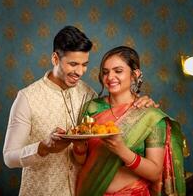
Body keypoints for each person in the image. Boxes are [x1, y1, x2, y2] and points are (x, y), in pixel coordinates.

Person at [3, 26, 158, 196]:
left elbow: (118, 108)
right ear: (55, 59)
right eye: (73, 64)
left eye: (85, 65)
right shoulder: (27, 98)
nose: (80, 72)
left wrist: (142, 101)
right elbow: (9, 157)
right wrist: (42, 147)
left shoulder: (88, 95)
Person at [74, 46, 186, 196]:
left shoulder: (150, 116)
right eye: (105, 72)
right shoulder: (92, 108)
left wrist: (122, 150)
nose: (110, 77)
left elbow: (154, 172)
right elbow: (81, 161)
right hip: (92, 191)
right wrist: (79, 146)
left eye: (118, 71)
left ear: (135, 74)